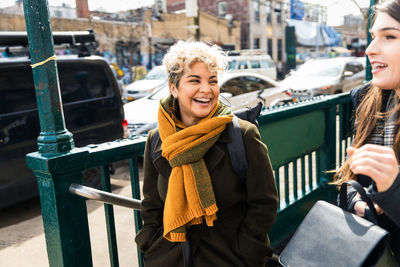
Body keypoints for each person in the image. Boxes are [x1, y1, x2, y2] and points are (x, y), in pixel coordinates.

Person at [135, 40, 278, 267]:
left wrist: (248, 250)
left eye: (212, 81)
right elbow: (152, 205)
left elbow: (264, 203)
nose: (206, 89)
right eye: (194, 80)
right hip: (170, 259)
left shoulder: (242, 135)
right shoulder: (157, 139)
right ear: (174, 88)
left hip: (228, 258)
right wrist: (149, 243)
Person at [334, 0, 400, 263]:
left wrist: (392, 189)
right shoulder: (367, 100)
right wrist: (357, 203)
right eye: (373, 37)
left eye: (389, 36)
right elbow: (352, 180)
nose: (371, 49)